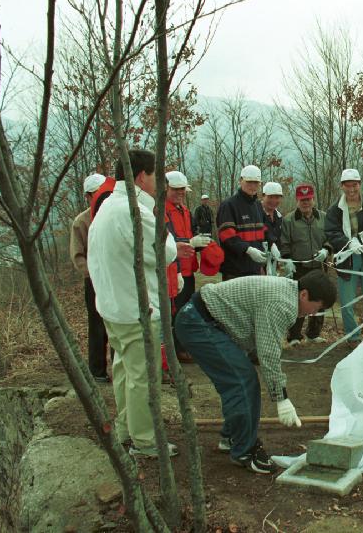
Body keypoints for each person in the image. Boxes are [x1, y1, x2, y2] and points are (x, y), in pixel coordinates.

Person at [174, 270, 336, 473]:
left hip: (204, 320)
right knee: (242, 380)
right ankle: (244, 450)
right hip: (197, 323)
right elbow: (268, 353)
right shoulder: (281, 303)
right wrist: (281, 398)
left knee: (239, 378)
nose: (313, 313)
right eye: (316, 307)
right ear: (304, 294)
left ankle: (233, 436)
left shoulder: (288, 292)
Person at [87, 149, 184, 458]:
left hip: (113, 306)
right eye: (156, 176)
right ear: (142, 176)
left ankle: (126, 428)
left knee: (126, 370)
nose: (159, 183)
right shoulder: (133, 211)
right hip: (134, 309)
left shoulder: (106, 207)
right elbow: (165, 251)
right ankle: (144, 440)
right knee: (142, 377)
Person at [325, 168, 363, 346]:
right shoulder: (335, 209)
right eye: (347, 186)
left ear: (360, 185)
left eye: (355, 185)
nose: (351, 189)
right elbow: (331, 232)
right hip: (347, 259)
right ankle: (353, 338)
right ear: (342, 186)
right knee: (347, 302)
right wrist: (348, 242)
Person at [164, 170, 210, 363]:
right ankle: (175, 350)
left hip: (187, 268)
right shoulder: (162, 211)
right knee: (174, 311)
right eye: (176, 190)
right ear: (166, 189)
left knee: (186, 309)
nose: (180, 193)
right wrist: (190, 241)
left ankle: (183, 346)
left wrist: (201, 244)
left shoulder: (184, 211)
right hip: (172, 269)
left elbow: (191, 234)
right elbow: (167, 240)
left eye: (182, 189)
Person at [279, 183, 332, 346]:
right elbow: (284, 243)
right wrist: (287, 260)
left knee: (319, 300)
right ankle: (294, 336)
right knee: (297, 301)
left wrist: (326, 250)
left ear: (313, 199)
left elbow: (331, 237)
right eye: (302, 200)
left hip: (318, 266)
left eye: (308, 199)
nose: (305, 203)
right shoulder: (288, 220)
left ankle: (313, 334)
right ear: (297, 200)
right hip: (299, 267)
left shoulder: (324, 217)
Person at [70, 173, 110, 383]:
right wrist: (93, 273)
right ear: (87, 196)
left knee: (117, 321)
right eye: (95, 194)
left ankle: (119, 368)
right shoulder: (82, 221)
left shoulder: (115, 214)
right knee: (97, 325)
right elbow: (78, 255)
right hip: (95, 281)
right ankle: (97, 371)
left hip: (116, 278)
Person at [217, 165, 268, 280]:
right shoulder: (229, 205)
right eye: (249, 182)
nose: (253, 186)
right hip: (235, 269)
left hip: (255, 268)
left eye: (256, 183)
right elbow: (227, 236)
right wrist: (247, 249)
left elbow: (264, 231)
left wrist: (272, 246)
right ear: (241, 181)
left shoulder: (258, 205)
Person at [262, 181, 284, 262]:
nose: (274, 200)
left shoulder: (279, 216)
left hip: (275, 260)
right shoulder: (257, 214)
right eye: (270, 197)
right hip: (260, 259)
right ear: (263, 196)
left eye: (277, 197)